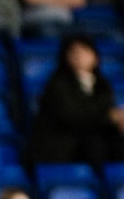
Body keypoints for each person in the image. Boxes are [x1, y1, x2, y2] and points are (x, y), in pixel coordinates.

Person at [28, 34, 124, 169]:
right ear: (65, 57)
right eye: (73, 51)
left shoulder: (103, 85)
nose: (78, 55)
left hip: (93, 146)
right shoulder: (57, 84)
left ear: (95, 57)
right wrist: (109, 117)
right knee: (94, 144)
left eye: (84, 50)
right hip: (61, 147)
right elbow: (72, 116)